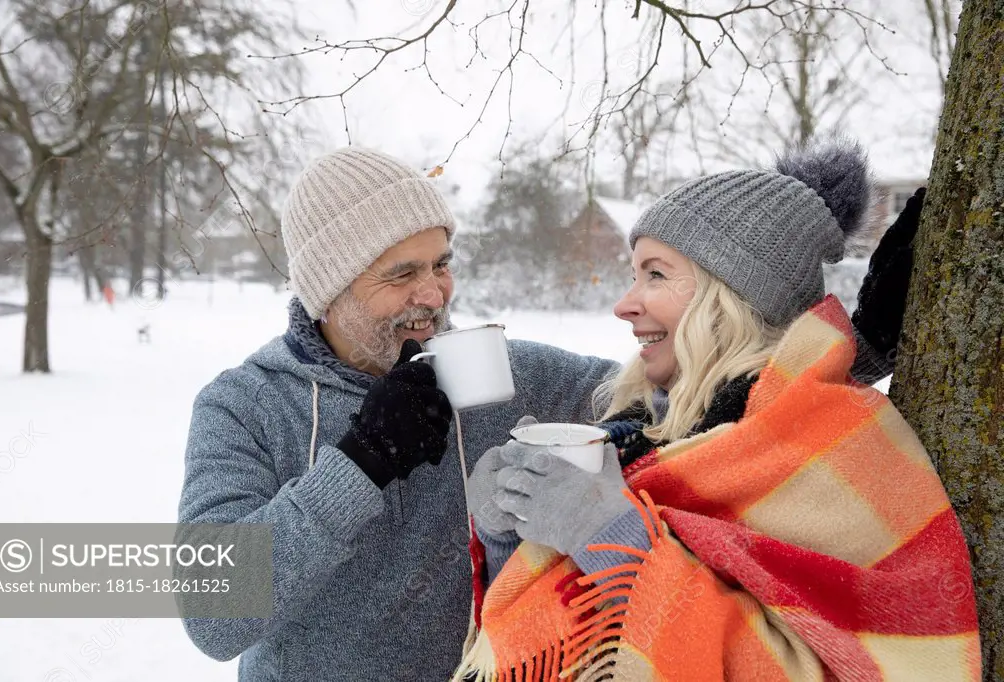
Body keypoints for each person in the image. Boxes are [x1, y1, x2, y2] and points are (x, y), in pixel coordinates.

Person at [178, 146, 918, 681]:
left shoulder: (479, 371)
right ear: (329, 291)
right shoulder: (245, 405)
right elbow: (213, 618)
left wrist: (853, 351)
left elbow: (699, 394)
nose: (435, 294)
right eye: (402, 274)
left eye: (441, 263)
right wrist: (362, 461)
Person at [460, 140, 980, 681]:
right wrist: (510, 532)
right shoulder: (650, 433)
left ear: (730, 295)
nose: (624, 303)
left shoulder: (836, 452)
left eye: (655, 274)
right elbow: (559, 638)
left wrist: (611, 536)